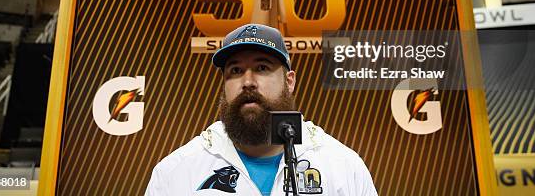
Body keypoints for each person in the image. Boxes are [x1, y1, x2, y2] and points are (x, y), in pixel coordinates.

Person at [145, 23, 378, 195]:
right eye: (235, 71)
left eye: (262, 67)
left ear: (289, 81)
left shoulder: (341, 166)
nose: (248, 81)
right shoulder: (177, 171)